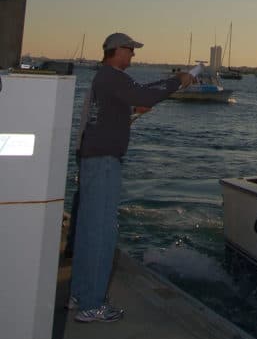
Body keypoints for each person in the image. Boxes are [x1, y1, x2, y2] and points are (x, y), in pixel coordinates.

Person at [70, 32, 194, 323]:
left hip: (92, 160)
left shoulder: (104, 79)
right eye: (130, 50)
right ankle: (92, 305)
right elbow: (144, 93)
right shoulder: (112, 76)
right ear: (116, 51)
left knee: (88, 231)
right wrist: (179, 80)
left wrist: (133, 107)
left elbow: (131, 100)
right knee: (101, 233)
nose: (133, 55)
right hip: (103, 164)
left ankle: (81, 295)